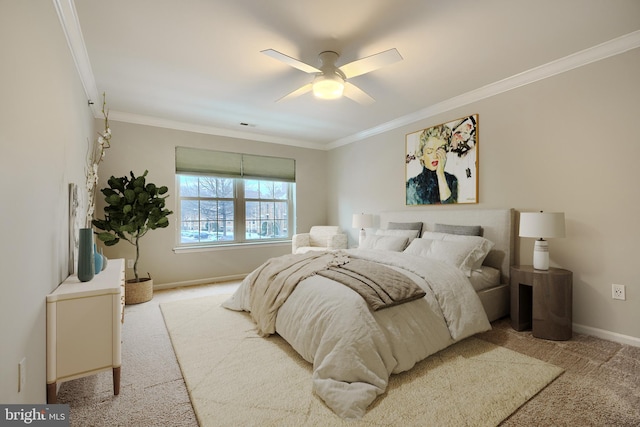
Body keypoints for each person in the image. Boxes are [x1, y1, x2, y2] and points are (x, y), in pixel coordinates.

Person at [406, 125, 458, 204]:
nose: (435, 156)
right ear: (422, 155)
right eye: (429, 151)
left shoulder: (452, 180)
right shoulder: (412, 184)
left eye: (439, 150)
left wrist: (440, 174)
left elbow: (450, 209)